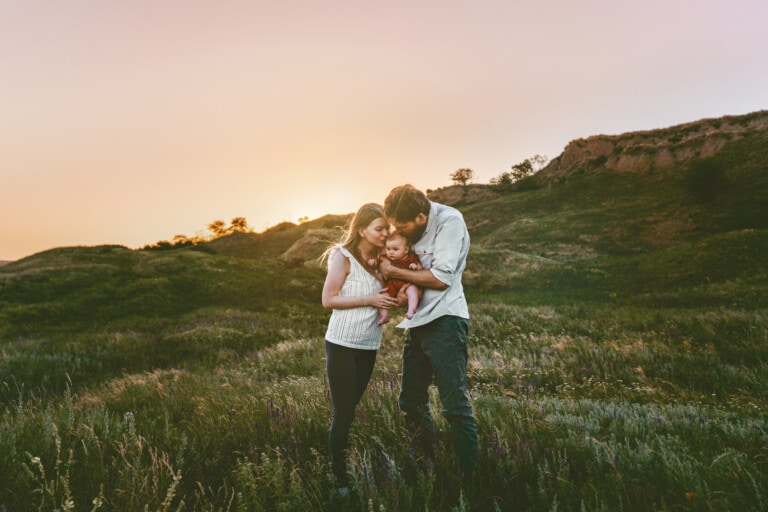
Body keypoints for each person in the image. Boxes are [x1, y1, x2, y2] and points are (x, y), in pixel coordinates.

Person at [379, 184, 479, 476]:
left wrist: (394, 272)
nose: (399, 231)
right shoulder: (410, 226)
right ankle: (425, 466)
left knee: (454, 405)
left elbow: (440, 278)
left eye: (403, 226)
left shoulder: (450, 222)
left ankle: (469, 478)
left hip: (446, 320)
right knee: (410, 400)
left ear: (421, 217)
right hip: (418, 323)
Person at [320, 203, 398, 499]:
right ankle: (341, 482)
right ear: (362, 230)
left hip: (368, 345)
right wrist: (369, 299)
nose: (385, 233)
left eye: (387, 228)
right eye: (380, 228)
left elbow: (389, 292)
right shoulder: (343, 256)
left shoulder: (383, 259)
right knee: (343, 412)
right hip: (342, 344)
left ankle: (344, 462)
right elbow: (329, 299)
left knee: (351, 410)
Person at [367, 231, 422, 326]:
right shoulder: (386, 258)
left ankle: (411, 310)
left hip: (407, 283)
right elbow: (379, 263)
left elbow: (418, 267)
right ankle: (384, 315)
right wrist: (374, 261)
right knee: (384, 295)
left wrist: (414, 265)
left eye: (395, 249)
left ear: (406, 250)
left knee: (413, 290)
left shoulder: (411, 257)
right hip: (392, 284)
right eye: (388, 249)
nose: (391, 252)